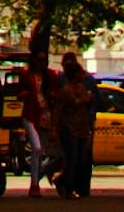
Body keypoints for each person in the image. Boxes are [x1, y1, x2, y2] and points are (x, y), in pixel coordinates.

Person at [55, 52, 97, 199]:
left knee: (81, 159)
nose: (83, 75)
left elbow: (90, 101)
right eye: (80, 72)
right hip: (69, 128)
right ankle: (67, 187)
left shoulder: (82, 87)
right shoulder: (66, 90)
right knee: (71, 158)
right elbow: (63, 108)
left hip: (82, 127)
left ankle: (67, 182)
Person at [18, 45, 57, 199]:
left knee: (50, 151)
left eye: (44, 60)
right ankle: (34, 183)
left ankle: (38, 178)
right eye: (39, 60)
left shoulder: (50, 76)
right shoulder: (26, 75)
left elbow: (55, 93)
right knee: (37, 147)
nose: (42, 63)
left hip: (46, 115)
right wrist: (24, 94)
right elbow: (19, 93)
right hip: (30, 115)